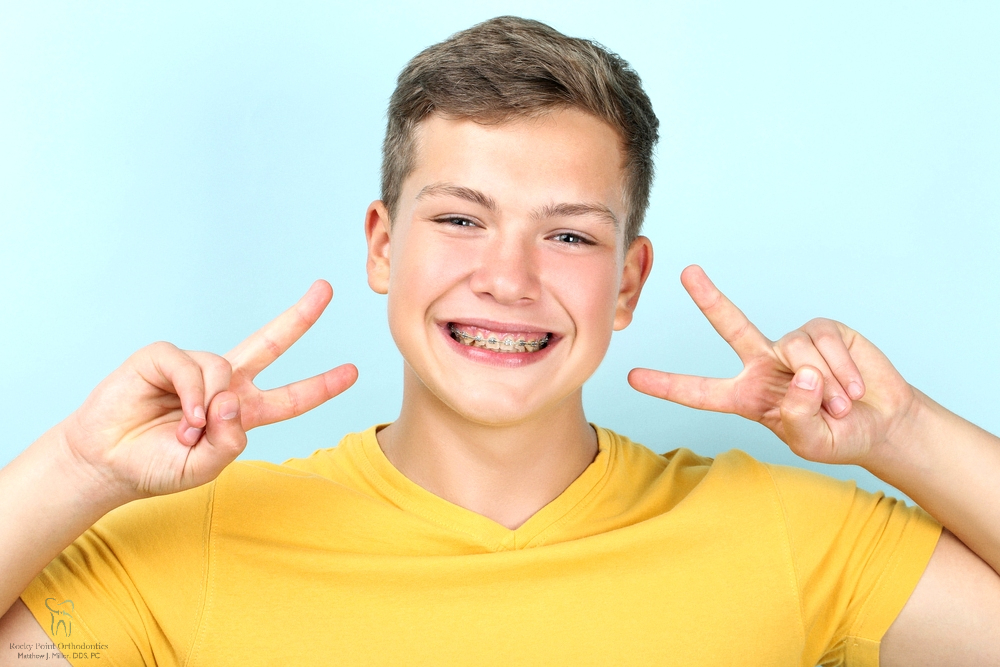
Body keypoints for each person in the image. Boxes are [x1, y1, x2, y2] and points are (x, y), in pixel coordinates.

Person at [1, 15, 998, 666]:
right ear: (383, 247)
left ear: (627, 283)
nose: (510, 278)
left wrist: (901, 429)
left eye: (568, 233)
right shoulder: (194, 544)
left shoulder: (789, 535)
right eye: (461, 218)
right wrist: (79, 467)